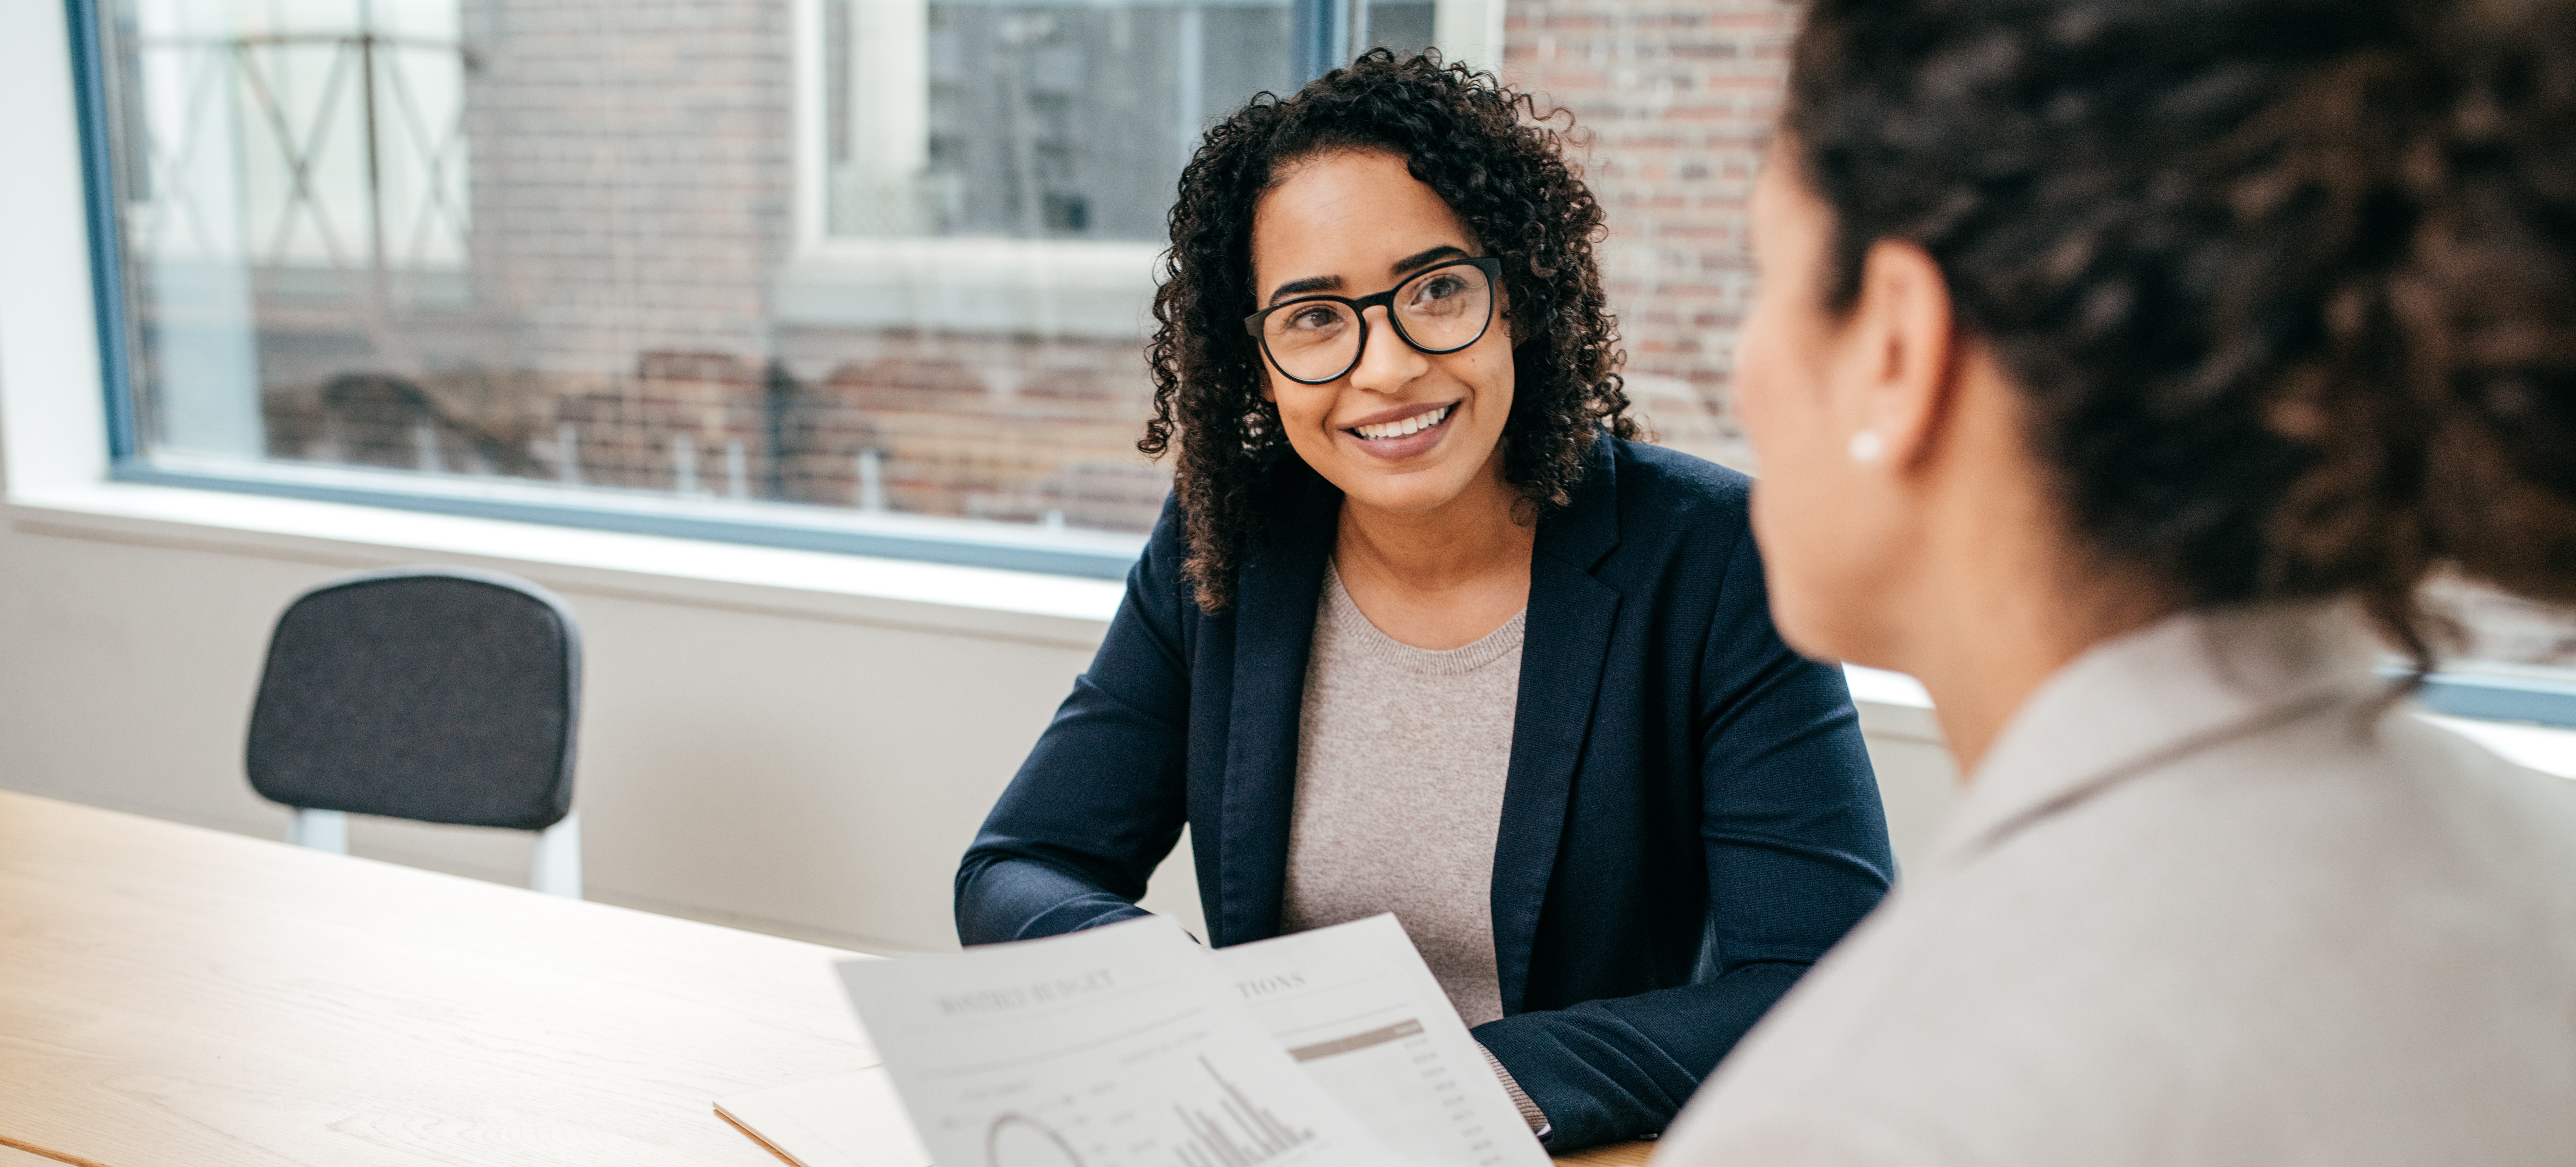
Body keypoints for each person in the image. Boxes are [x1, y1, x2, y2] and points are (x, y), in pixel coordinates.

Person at [1655, 0, 2576, 1162]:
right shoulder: (2547, 870)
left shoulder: (1862, 1109)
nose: (1744, 380)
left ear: (1897, 345)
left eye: (1765, 277)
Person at [955, 52, 1897, 1150]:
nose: (1387, 365)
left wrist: (1454, 1085)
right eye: (1314, 316)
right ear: (1254, 361)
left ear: (1520, 297)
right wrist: (1170, 995)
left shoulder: (1718, 559)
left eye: (1437, 288)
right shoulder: (1227, 548)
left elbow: (1824, 975)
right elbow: (1016, 869)